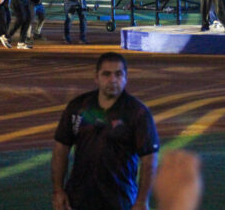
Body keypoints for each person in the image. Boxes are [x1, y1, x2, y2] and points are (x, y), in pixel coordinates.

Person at [52, 52, 159, 210]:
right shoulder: (78, 107)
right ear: (96, 77)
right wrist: (58, 190)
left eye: (118, 74)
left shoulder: (138, 113)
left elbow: (149, 159)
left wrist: (142, 201)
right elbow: (61, 148)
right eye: (106, 74)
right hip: (79, 200)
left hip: (120, 201)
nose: (113, 80)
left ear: (126, 78)